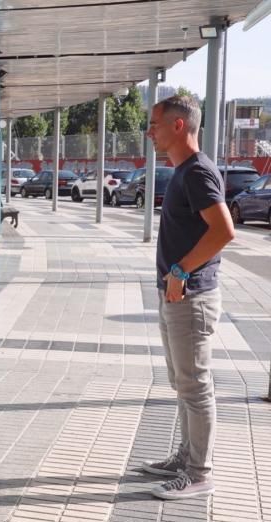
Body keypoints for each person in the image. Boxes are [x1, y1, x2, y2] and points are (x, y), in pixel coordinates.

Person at [140, 95, 234, 500]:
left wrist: (180, 272)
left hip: (190, 296)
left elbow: (224, 231)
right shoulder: (183, 171)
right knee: (183, 384)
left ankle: (199, 473)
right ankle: (185, 457)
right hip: (176, 295)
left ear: (179, 126)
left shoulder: (197, 172)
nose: (149, 132)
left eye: (155, 124)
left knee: (194, 386)